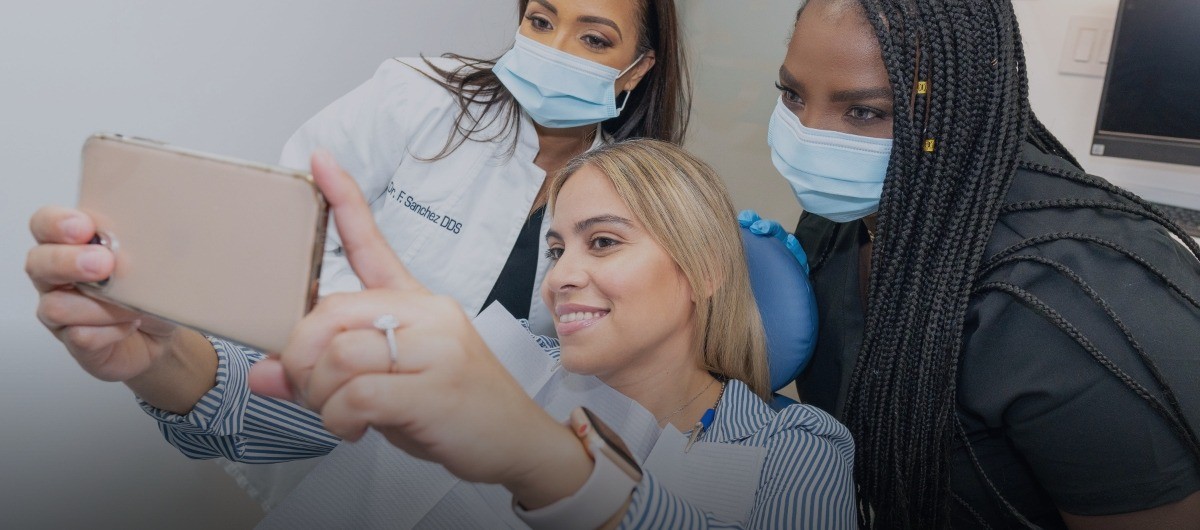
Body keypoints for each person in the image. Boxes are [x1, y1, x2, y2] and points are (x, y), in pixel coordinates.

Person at [25, 0, 689, 506]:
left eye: (594, 38)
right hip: (324, 411)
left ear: (640, 66)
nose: (555, 49)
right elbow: (289, 243)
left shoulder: (629, 198)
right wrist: (389, 345)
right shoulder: (418, 95)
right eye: (541, 21)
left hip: (492, 470)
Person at [141, 139, 856, 527]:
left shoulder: (796, 449)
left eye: (602, 243)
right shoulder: (491, 358)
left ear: (702, 269)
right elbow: (255, 403)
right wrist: (152, 348)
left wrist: (543, 460)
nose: (561, 277)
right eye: (557, 249)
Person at [766, 0, 1200, 528]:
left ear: (964, 100)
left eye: (865, 112)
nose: (808, 134)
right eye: (792, 94)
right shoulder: (841, 221)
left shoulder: (1068, 300)